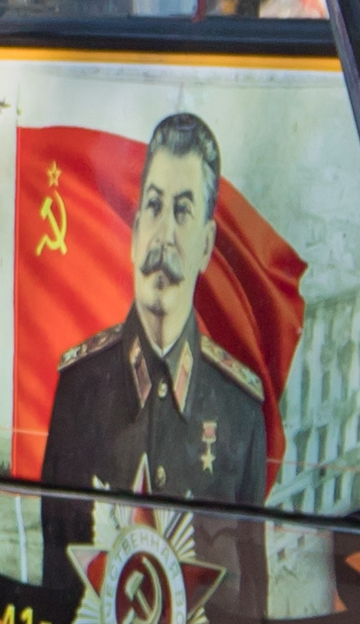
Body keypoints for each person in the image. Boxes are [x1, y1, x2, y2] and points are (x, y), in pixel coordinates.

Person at [37, 108, 274, 507]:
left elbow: (249, 570)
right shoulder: (80, 389)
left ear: (205, 245)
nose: (163, 236)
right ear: (134, 236)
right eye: (154, 205)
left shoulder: (240, 412)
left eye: (182, 211)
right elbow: (58, 564)